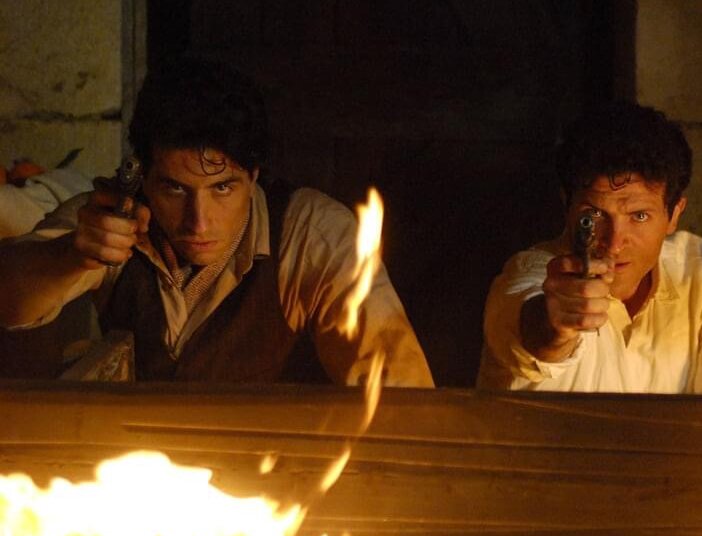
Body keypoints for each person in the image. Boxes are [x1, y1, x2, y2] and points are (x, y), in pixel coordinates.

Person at [0, 58, 433, 386]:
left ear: (254, 175)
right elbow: (9, 297)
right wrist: (70, 254)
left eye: (223, 188)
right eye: (174, 189)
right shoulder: (112, 218)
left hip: (279, 470)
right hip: (143, 466)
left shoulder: (312, 234)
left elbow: (398, 389)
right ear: (144, 176)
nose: (199, 222)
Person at [477, 102, 702, 394]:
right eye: (594, 216)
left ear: (674, 214)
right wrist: (556, 326)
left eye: (639, 216)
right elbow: (530, 330)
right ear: (567, 205)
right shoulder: (534, 274)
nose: (614, 244)